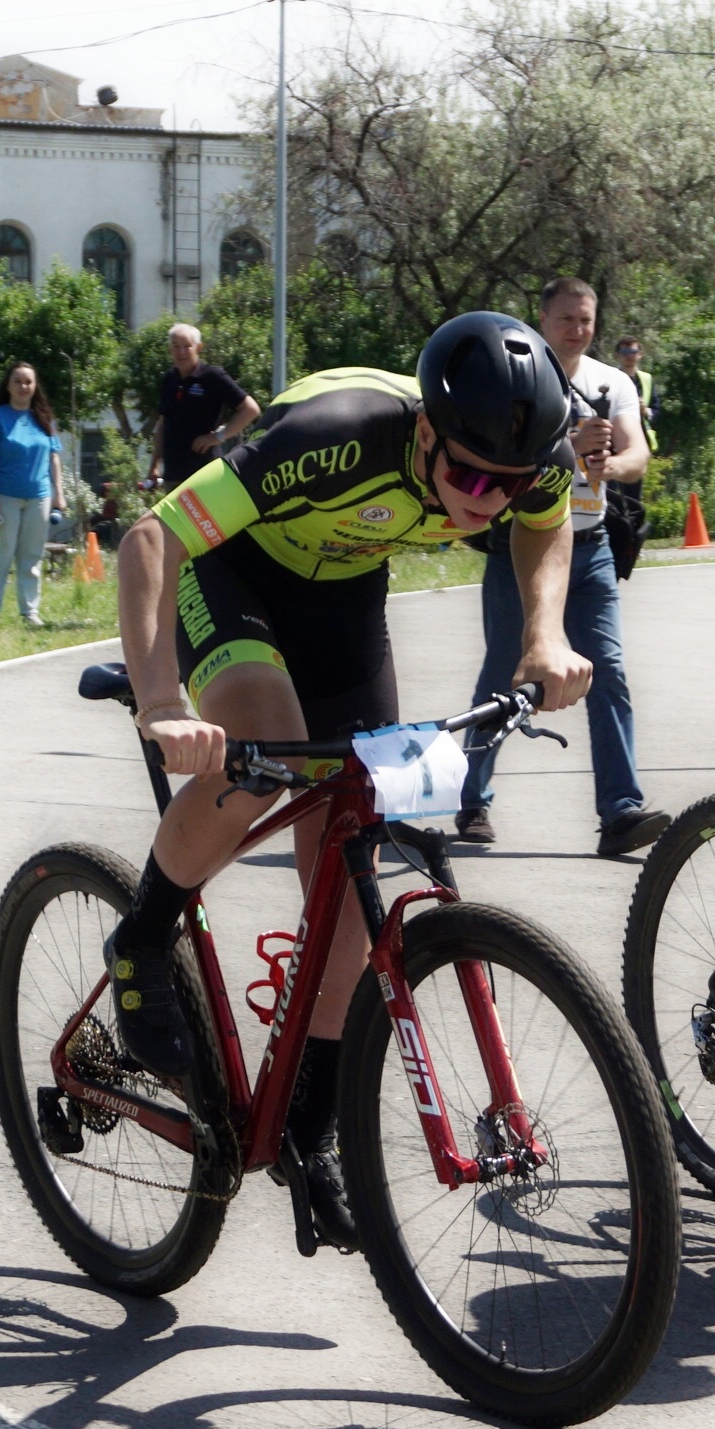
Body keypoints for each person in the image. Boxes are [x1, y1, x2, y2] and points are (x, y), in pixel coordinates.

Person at [108, 311, 595, 1252]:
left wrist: (544, 636)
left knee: (359, 848)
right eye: (470, 478)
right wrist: (162, 701)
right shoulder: (335, 434)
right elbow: (150, 541)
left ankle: (311, 1126)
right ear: (426, 433)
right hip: (233, 571)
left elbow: (546, 527)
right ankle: (143, 935)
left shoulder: (527, 456)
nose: (489, 500)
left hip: (345, 596)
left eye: (507, 484)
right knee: (269, 755)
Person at [451, 279, 672, 856]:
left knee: (609, 672)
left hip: (590, 546)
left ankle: (620, 812)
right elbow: (498, 452)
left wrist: (609, 465)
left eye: (586, 319)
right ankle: (470, 799)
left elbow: (637, 454)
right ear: (543, 319)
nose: (578, 329)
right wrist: (569, 445)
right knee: (505, 673)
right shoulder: (520, 376)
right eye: (567, 318)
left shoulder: (613, 382)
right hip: (522, 545)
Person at [0, 362, 65, 625]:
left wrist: (59, 494)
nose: (23, 386)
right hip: (5, 497)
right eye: (17, 381)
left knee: (32, 557)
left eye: (28, 382)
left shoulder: (44, 418)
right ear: (8, 386)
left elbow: (54, 458)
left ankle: (30, 612)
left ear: (35, 386)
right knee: (1, 556)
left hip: (39, 497)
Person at [150, 323, 259, 493]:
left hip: (205, 475)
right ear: (170, 349)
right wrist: (154, 465)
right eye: (176, 346)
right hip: (173, 476)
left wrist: (218, 437)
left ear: (198, 347)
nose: (181, 352)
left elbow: (251, 409)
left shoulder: (212, 376)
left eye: (187, 346)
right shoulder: (169, 379)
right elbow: (163, 424)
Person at [605, 337, 660, 582]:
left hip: (638, 445)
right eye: (625, 351)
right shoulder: (610, 377)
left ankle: (630, 544)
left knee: (633, 497)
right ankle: (610, 538)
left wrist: (646, 411)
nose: (629, 355)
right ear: (617, 355)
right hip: (614, 444)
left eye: (633, 351)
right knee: (611, 493)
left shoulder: (646, 379)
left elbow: (657, 409)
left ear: (640, 354)